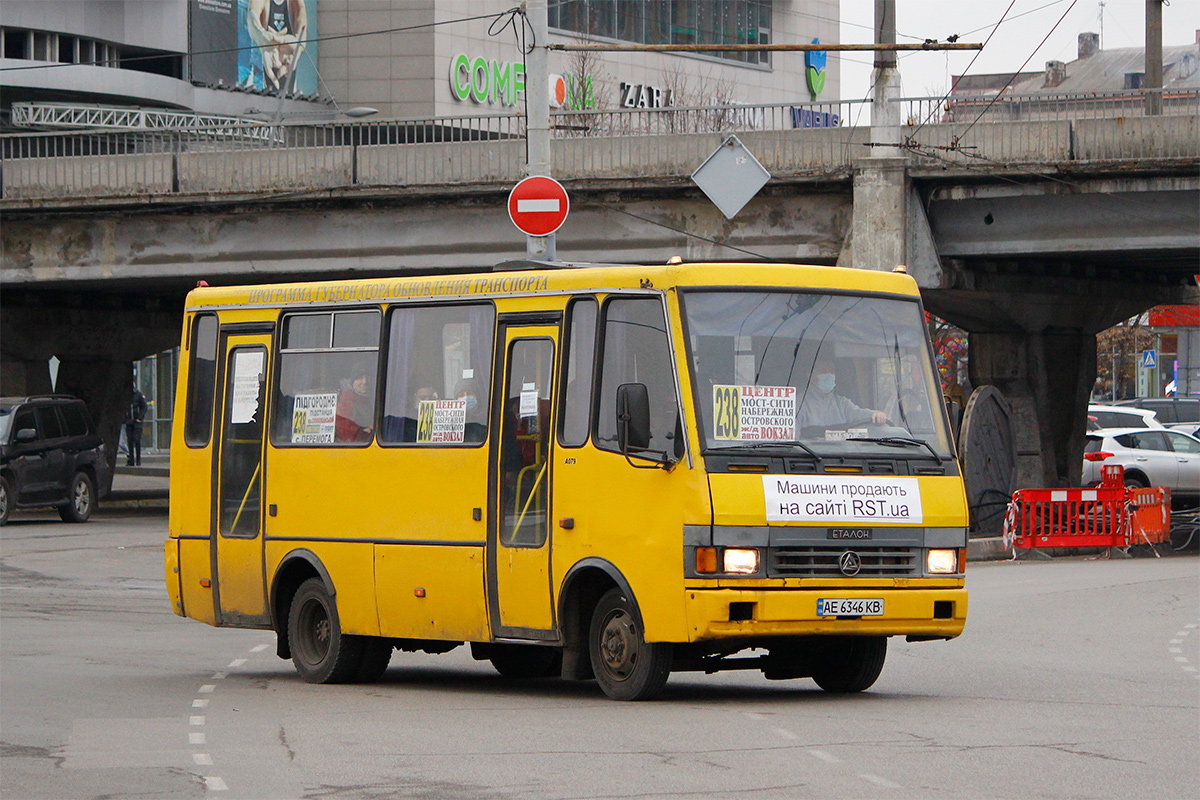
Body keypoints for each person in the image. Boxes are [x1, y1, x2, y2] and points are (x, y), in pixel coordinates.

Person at [797, 358, 887, 430]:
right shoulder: (798, 404)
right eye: (823, 371)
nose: (829, 374)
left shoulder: (842, 403)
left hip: (842, 452)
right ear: (809, 375)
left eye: (831, 371)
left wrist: (875, 414)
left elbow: (858, 414)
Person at [246, 0, 308, 91]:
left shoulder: (294, 3)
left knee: (287, 95)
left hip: (286, 60)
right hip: (267, 58)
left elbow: (301, 17)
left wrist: (299, 42)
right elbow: (252, 14)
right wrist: (260, 35)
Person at [335, 361, 374, 443]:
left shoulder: (371, 400)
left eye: (367, 377)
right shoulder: (345, 403)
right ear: (352, 382)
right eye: (359, 378)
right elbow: (346, 434)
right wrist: (366, 432)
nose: (365, 382)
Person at [124, 384, 148, 466]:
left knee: (137, 439)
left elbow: (144, 406)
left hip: (137, 422)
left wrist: (140, 418)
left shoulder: (139, 395)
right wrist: (125, 418)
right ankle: (131, 460)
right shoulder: (126, 396)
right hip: (129, 422)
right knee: (130, 440)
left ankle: (138, 459)